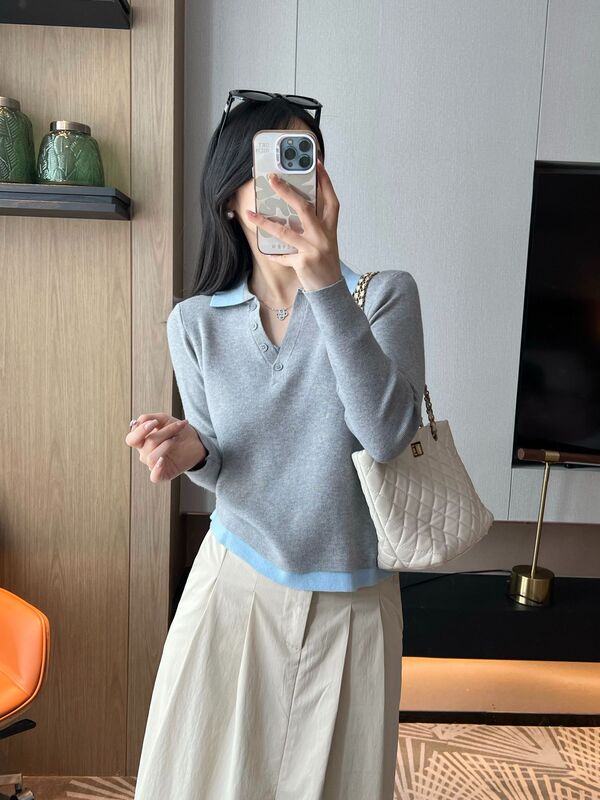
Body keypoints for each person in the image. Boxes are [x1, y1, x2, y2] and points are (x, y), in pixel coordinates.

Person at [126, 91, 425, 800]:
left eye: (304, 165)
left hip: (353, 606)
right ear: (232, 197)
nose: (289, 188)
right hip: (233, 589)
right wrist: (193, 453)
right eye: (271, 170)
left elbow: (389, 437)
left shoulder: (384, 297)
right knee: (203, 782)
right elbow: (221, 463)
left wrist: (324, 284)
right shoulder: (194, 323)